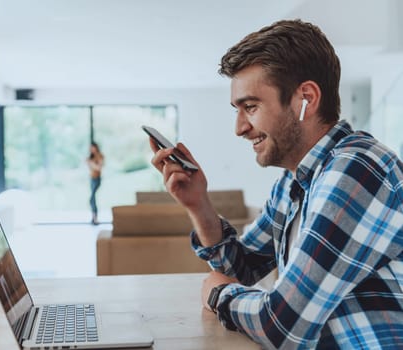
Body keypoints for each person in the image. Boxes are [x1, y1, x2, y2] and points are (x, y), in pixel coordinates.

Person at [148, 19, 403, 349]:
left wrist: (219, 295)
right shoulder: (294, 182)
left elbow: (283, 325)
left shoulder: (357, 169)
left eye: (250, 107)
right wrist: (199, 204)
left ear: (306, 99)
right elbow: (242, 268)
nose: (240, 128)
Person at [87, 141, 104, 225]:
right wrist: (93, 165)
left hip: (97, 179)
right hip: (91, 179)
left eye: (92, 147)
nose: (91, 149)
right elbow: (91, 166)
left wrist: (92, 164)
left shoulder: (100, 156)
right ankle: (94, 218)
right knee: (92, 200)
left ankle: (95, 218)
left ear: (96, 147)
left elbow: (99, 168)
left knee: (92, 199)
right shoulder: (90, 157)